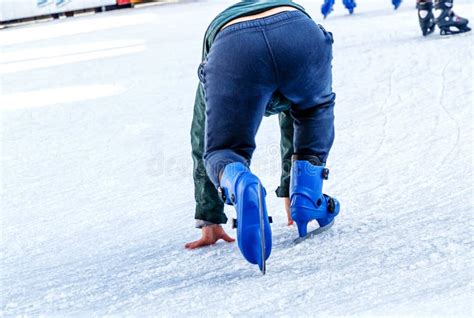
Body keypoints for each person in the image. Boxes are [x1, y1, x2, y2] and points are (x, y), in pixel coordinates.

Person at [186, 0, 340, 271]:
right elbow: (293, 123)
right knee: (313, 108)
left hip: (235, 50)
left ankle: (241, 183)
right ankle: (307, 197)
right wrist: (291, 190)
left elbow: (202, 136)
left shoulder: (218, 52)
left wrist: (210, 216)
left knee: (224, 151)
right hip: (298, 33)